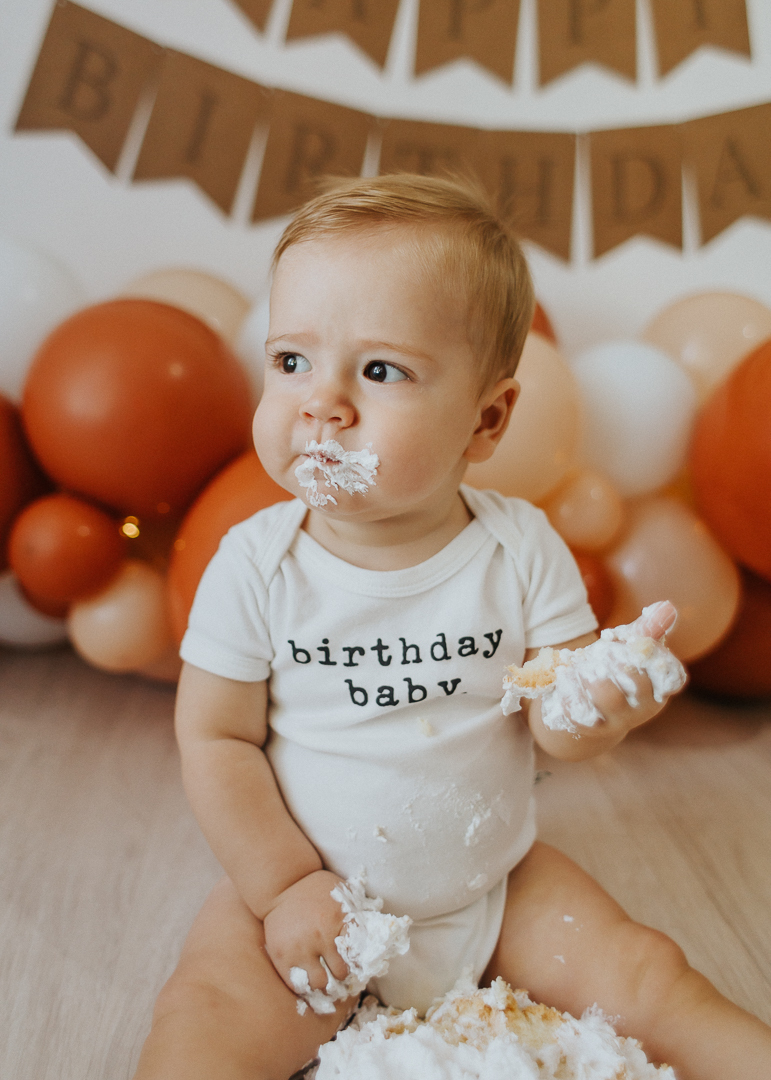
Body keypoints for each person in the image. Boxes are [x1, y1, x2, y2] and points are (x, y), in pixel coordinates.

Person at [134, 175, 771, 1080]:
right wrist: (280, 887)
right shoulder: (256, 563)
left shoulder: (519, 548)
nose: (321, 403)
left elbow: (552, 724)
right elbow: (216, 738)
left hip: (493, 892)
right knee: (205, 1017)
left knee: (648, 975)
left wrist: (592, 708)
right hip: (314, 901)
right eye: (292, 361)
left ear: (486, 418)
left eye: (379, 370)